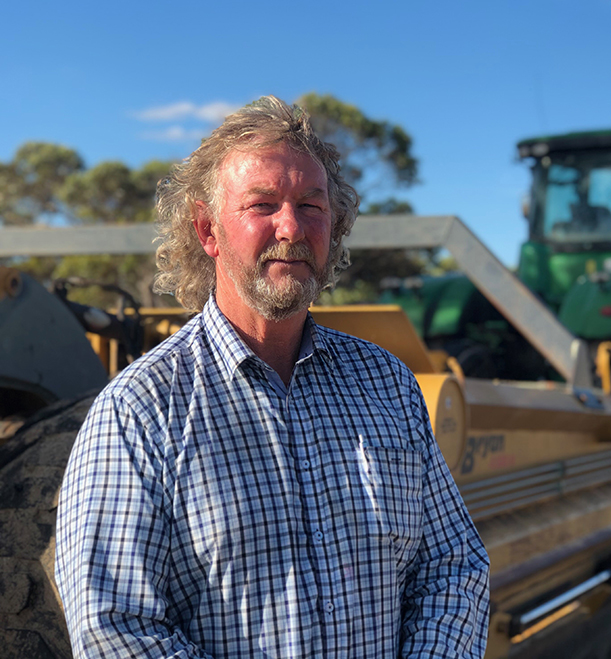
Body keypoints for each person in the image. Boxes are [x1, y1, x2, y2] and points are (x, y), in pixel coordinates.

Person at [55, 96, 491, 658]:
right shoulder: (140, 411)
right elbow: (114, 627)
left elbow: (452, 566)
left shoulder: (389, 385)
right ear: (208, 230)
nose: (292, 226)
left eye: (312, 204)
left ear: (335, 226)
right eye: (262, 205)